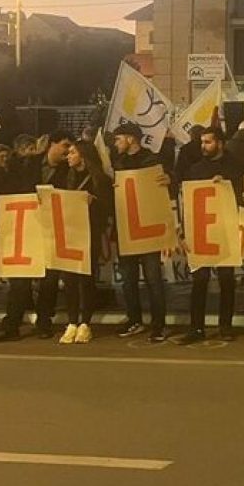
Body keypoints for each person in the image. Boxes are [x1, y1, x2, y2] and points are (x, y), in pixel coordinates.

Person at [0, 130, 72, 343]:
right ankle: (11, 325)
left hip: (51, 231)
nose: (68, 151)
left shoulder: (69, 170)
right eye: (65, 145)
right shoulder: (25, 165)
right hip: (24, 229)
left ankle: (44, 322)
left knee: (49, 280)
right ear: (51, 144)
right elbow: (5, 191)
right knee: (19, 281)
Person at [177, 126, 244, 344]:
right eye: (202, 142)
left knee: (226, 280)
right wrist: (184, 232)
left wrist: (226, 185)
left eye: (208, 142)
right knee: (200, 280)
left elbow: (243, 198)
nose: (203, 146)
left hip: (225, 230)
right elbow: (187, 203)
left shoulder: (235, 168)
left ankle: (225, 326)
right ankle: (196, 327)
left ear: (220, 143)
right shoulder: (195, 169)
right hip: (201, 233)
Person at [110, 122, 171, 341]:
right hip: (126, 229)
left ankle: (159, 324)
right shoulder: (118, 163)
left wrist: (169, 180)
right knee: (129, 280)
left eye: (118, 139)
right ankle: (134, 319)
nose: (115, 143)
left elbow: (162, 191)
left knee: (154, 280)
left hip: (148, 232)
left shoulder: (152, 161)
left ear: (130, 139)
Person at [59, 140, 114, 344]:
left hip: (90, 233)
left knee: (86, 279)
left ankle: (85, 323)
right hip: (69, 233)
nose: (68, 156)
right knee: (69, 280)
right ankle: (72, 321)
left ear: (83, 155)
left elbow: (109, 209)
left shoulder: (101, 180)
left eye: (72, 153)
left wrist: (95, 202)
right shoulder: (68, 177)